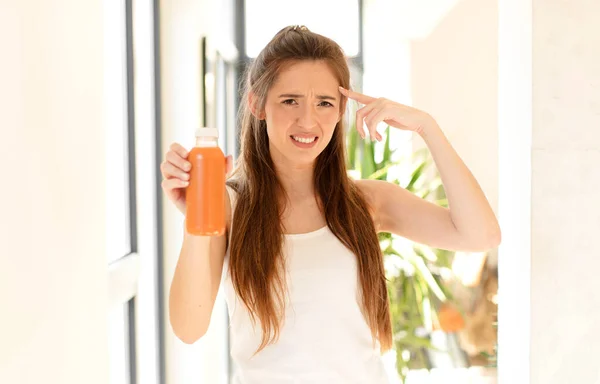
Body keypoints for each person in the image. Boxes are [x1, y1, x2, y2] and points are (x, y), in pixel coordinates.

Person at [162, 25, 501, 384]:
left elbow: (481, 235)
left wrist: (426, 127)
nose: (308, 120)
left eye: (324, 103)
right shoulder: (230, 206)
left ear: (341, 109)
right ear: (257, 104)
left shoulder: (367, 202)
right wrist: (199, 218)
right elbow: (188, 327)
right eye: (289, 100)